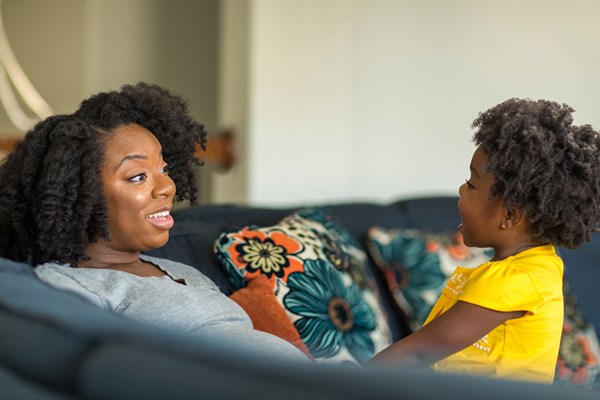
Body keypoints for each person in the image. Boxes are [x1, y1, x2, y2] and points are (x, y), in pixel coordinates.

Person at [0, 82, 309, 362]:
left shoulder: (183, 272)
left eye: (163, 169)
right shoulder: (68, 285)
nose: (167, 187)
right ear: (79, 194)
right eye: (138, 176)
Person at [369, 98, 600, 384]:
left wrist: (341, 386)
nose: (461, 189)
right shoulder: (537, 265)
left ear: (510, 216)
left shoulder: (513, 281)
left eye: (472, 183)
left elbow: (417, 354)